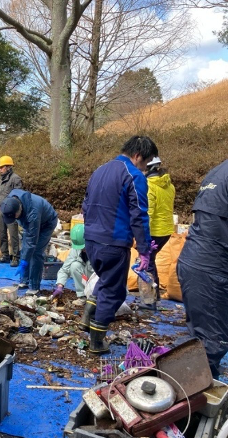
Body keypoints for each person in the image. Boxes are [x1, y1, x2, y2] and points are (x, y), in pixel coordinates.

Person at [81, 135, 158, 354]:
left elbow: (85, 205)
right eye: (146, 163)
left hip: (92, 240)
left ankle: (87, 316)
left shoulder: (100, 170)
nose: (145, 168)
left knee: (105, 280)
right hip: (113, 242)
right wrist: (144, 250)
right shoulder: (133, 175)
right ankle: (97, 341)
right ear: (137, 156)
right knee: (114, 292)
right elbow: (139, 215)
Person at [177, 155, 228, 379]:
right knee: (213, 342)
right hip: (211, 267)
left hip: (194, 261)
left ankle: (201, 387)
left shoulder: (219, 170)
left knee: (203, 339)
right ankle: (200, 394)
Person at [0, 189, 58, 296]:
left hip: (47, 223)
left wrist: (24, 262)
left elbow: (32, 241)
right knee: (24, 249)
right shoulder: (9, 201)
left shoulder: (33, 214)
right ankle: (25, 280)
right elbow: (27, 243)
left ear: (19, 210)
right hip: (29, 222)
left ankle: (34, 286)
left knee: (36, 252)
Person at [144, 156, 175, 308]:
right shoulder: (169, 185)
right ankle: (154, 298)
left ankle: (151, 300)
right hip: (166, 230)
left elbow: (148, 212)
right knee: (151, 260)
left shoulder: (149, 186)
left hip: (154, 231)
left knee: (147, 262)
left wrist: (142, 234)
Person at [0, 156, 23, 267]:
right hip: (2, 210)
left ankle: (16, 257)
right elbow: (0, 195)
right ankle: (5, 256)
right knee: (2, 233)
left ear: (8, 167)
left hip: (11, 211)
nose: (0, 169)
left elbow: (18, 195)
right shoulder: (1, 179)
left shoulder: (15, 178)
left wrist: (15, 210)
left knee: (13, 234)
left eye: (2, 167)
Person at [51, 223, 95, 302]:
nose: (82, 250)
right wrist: (60, 286)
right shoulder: (76, 249)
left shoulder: (99, 249)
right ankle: (82, 297)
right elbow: (65, 269)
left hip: (99, 279)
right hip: (88, 276)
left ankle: (97, 297)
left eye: (83, 247)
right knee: (75, 266)